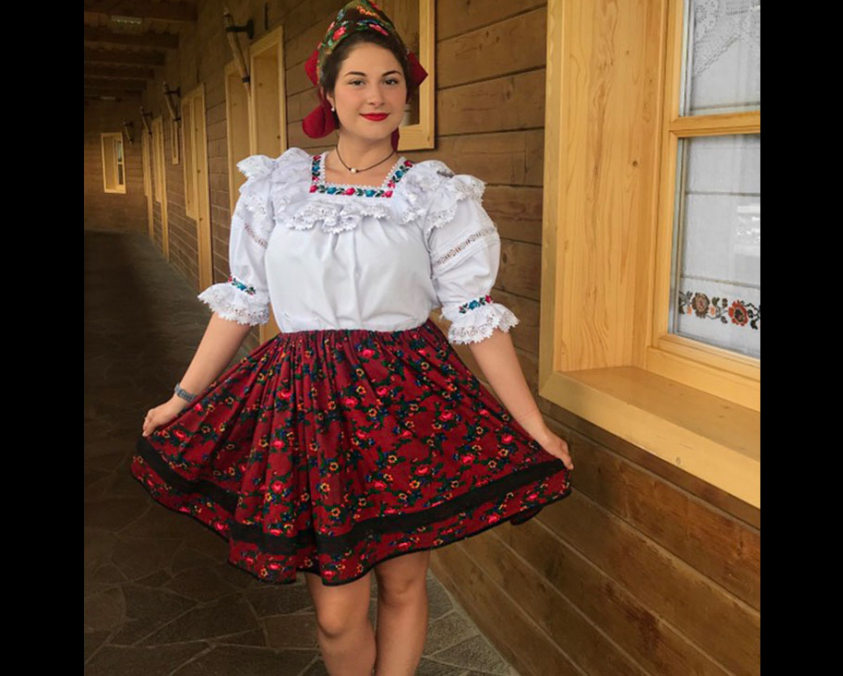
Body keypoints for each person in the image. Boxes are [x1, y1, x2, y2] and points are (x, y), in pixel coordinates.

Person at [132, 1, 574, 674]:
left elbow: (475, 313)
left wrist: (532, 425)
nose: (376, 96)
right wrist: (183, 397)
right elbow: (243, 303)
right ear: (329, 94)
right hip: (301, 402)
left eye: (391, 80)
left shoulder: (433, 195)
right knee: (338, 614)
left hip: (404, 396)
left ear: (408, 92)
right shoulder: (277, 188)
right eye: (359, 80)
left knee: (401, 582)